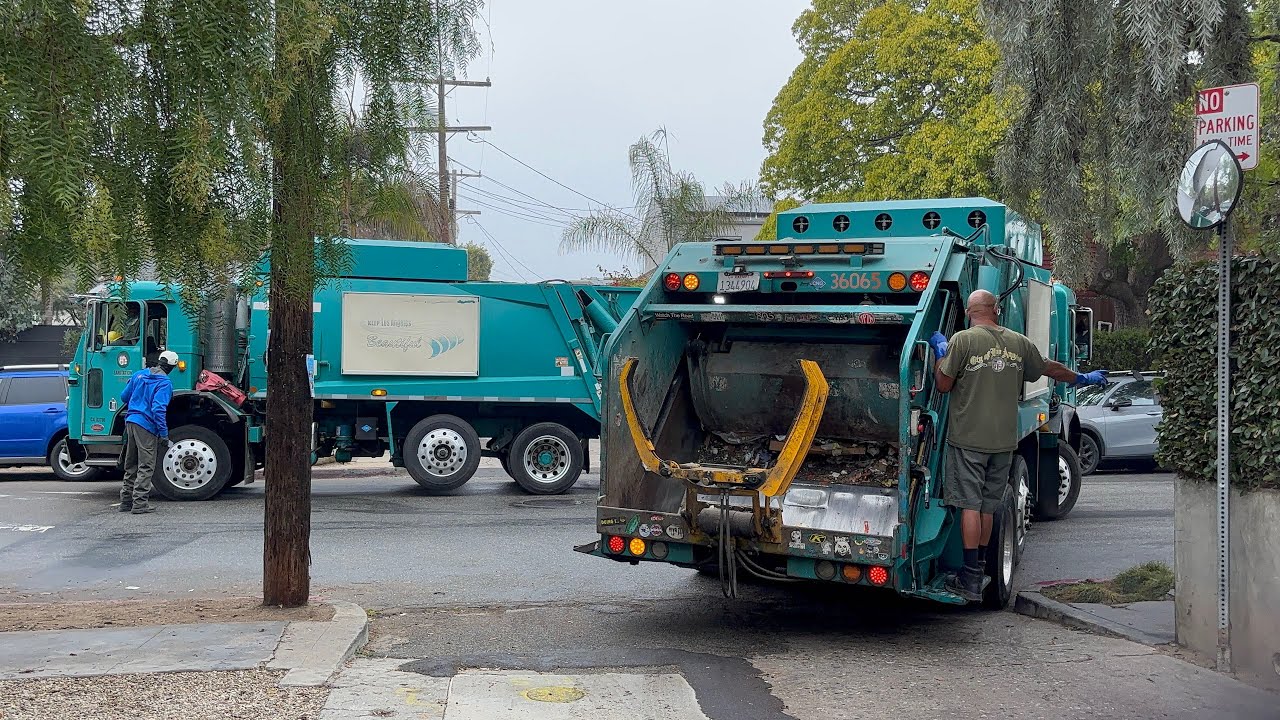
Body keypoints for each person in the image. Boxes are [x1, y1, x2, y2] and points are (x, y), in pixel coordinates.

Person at [928, 290, 1106, 601]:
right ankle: (979, 569)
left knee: (969, 505)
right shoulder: (1018, 342)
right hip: (1003, 440)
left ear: (970, 312)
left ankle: (968, 578)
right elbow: (1049, 367)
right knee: (986, 506)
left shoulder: (963, 341)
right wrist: (1081, 378)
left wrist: (940, 353)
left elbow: (943, 385)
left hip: (969, 439)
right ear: (995, 309)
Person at [118, 350, 178, 514]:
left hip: (131, 422)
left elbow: (124, 397)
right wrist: (164, 434)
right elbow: (158, 409)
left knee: (131, 464)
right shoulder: (164, 383)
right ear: (171, 367)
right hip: (146, 426)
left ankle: (125, 501)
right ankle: (139, 504)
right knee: (146, 465)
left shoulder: (139, 375)